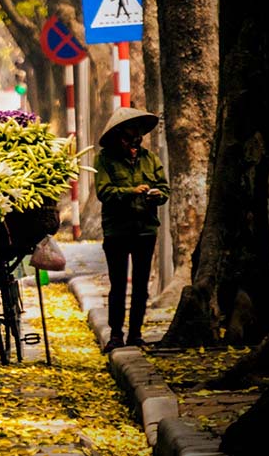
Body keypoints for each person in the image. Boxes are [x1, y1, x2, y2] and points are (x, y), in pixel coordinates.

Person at [94, 107, 170, 353]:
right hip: (117, 232)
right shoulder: (105, 160)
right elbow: (104, 192)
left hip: (145, 231)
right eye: (128, 139)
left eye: (137, 138)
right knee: (118, 285)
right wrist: (131, 191)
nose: (134, 144)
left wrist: (157, 195)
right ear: (118, 138)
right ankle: (116, 335)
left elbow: (164, 189)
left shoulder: (150, 159)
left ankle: (136, 334)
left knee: (141, 286)